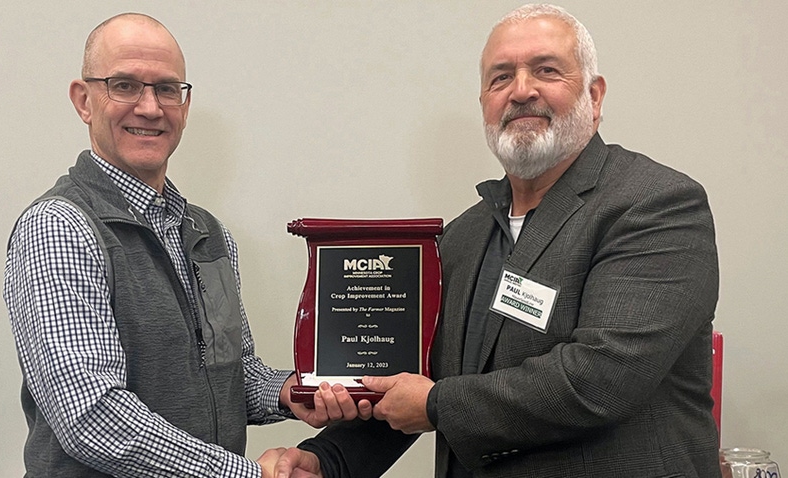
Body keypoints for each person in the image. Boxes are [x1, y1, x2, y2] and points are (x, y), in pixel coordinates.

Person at [274, 4, 720, 477]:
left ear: (594, 96)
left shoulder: (655, 205)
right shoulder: (463, 237)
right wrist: (328, 460)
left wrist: (436, 405)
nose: (521, 91)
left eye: (546, 70)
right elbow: (416, 379)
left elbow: (601, 378)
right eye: (500, 78)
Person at [3, 13, 354, 477]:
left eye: (167, 89)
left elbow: (232, 372)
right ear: (83, 100)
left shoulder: (209, 233)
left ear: (185, 105)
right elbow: (91, 416)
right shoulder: (60, 227)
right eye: (125, 85)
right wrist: (246, 475)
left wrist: (294, 391)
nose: (150, 107)